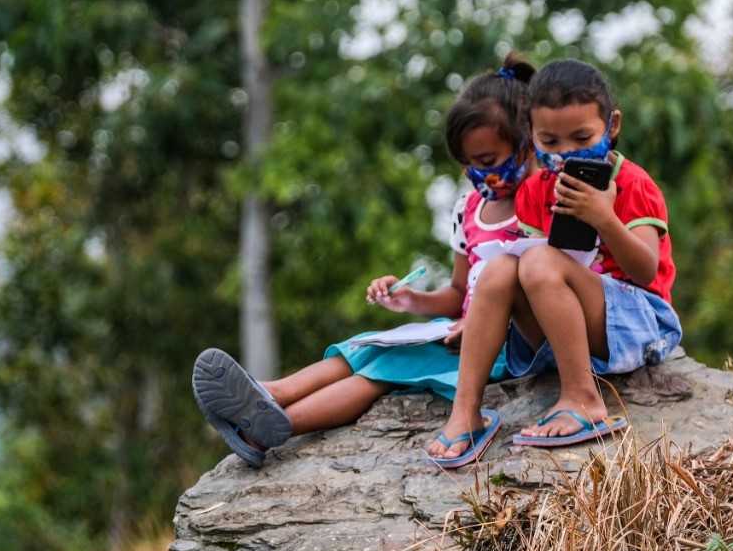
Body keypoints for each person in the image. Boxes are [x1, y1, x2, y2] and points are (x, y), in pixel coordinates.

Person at [192, 54, 537, 468]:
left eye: (486, 162)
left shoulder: (542, 205)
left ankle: (271, 425)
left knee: (384, 367)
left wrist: (482, 322)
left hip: (501, 348)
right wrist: (411, 300)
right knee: (361, 347)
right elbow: (459, 294)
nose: (476, 176)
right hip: (453, 333)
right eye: (467, 165)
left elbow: (547, 285)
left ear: (528, 143)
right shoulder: (469, 210)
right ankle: (273, 392)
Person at [426, 58, 682, 467]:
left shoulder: (632, 183)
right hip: (563, 327)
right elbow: (526, 276)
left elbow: (645, 270)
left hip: (638, 323)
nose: (566, 154)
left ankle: (583, 397)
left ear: (611, 127)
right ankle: (467, 412)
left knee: (537, 262)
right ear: (531, 135)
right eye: (550, 142)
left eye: (582, 138)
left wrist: (604, 217)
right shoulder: (533, 191)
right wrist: (475, 321)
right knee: (502, 268)